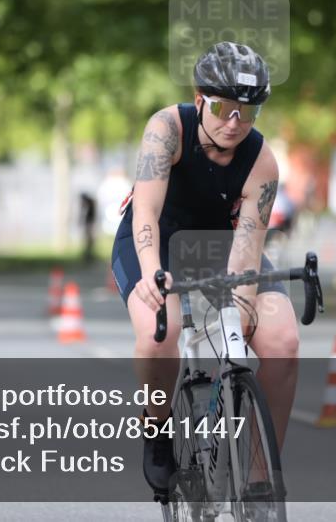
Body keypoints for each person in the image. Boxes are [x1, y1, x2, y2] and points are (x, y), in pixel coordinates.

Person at [110, 42, 299, 496]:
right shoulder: (166, 130)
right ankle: (158, 430)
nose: (234, 121)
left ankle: (258, 474)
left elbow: (249, 245)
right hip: (158, 237)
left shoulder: (262, 163)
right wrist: (155, 275)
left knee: (282, 338)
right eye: (222, 107)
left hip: (225, 243)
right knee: (161, 332)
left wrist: (239, 311)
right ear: (200, 99)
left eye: (247, 111)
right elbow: (146, 214)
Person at [80, 192, 97, 262]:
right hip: (89, 223)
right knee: (89, 240)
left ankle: (89, 255)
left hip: (90, 224)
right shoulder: (91, 203)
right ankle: (88, 255)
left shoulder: (90, 204)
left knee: (89, 240)